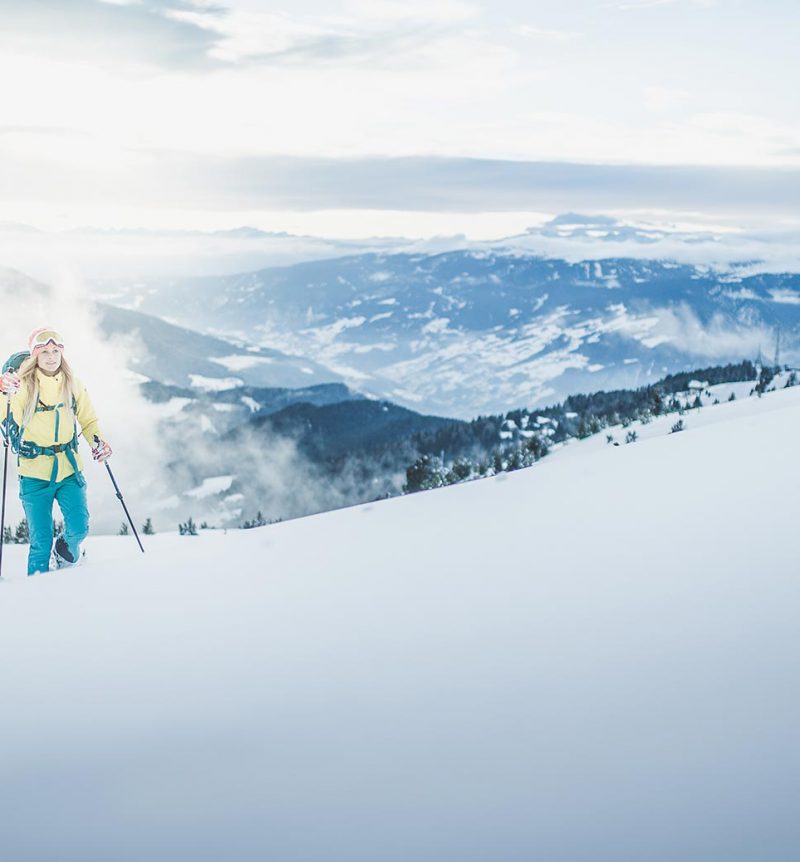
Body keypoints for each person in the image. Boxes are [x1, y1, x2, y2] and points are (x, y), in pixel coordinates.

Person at [0, 327, 112, 575]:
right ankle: (37, 596)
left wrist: (98, 442)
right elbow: (9, 415)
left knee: (80, 528)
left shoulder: (73, 385)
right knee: (40, 542)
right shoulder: (23, 387)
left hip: (69, 468)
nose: (51, 357)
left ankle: (65, 551)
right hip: (33, 473)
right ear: (34, 357)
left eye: (56, 351)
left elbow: (89, 420)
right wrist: (3, 393)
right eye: (44, 352)